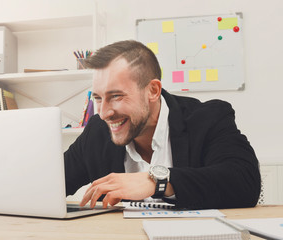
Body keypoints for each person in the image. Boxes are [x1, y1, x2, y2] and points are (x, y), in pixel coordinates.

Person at [64, 40, 261, 210]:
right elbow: (52, 182)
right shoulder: (97, 130)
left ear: (153, 90)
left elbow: (244, 182)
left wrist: (157, 181)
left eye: (116, 96)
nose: (104, 112)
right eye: (97, 98)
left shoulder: (209, 118)